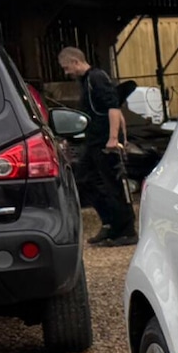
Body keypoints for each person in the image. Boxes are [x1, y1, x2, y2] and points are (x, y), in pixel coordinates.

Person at [58, 47, 136, 245]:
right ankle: (110, 223)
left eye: (67, 68)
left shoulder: (97, 78)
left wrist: (114, 138)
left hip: (104, 141)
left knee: (114, 184)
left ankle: (126, 230)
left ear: (76, 62)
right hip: (92, 140)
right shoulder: (85, 82)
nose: (67, 73)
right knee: (84, 179)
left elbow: (113, 107)